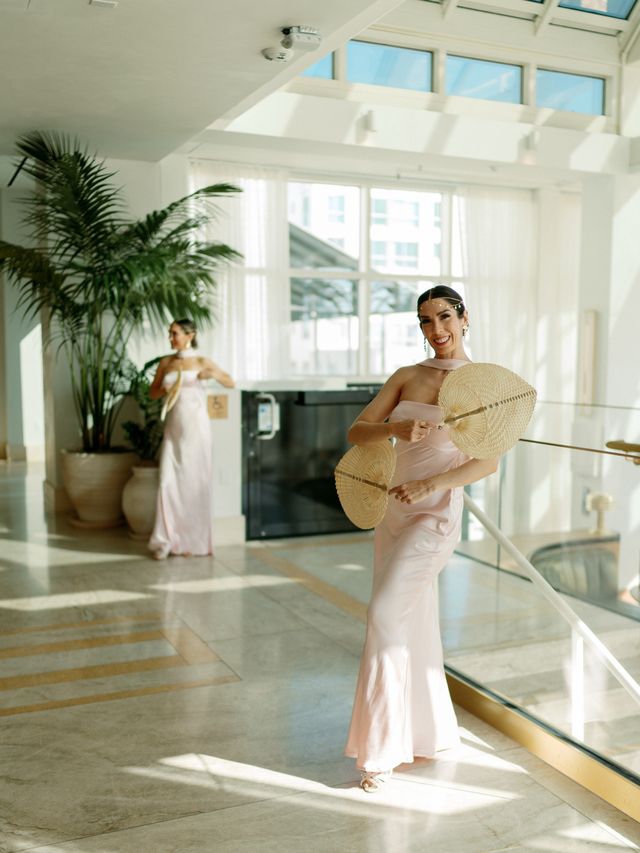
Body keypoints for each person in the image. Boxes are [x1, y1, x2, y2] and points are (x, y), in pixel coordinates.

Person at [344, 286, 499, 792]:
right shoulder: (407, 375)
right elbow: (357, 431)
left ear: (465, 318)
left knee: (384, 613)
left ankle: (380, 753)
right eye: (426, 321)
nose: (437, 330)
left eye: (445, 317)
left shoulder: (483, 384)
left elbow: (488, 462)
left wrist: (433, 485)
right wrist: (395, 427)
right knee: (411, 618)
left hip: (435, 513)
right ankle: (425, 732)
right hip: (392, 511)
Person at [148, 318, 235, 560]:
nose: (171, 337)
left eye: (175, 333)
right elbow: (152, 392)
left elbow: (230, 382)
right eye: (169, 333)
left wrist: (212, 374)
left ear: (190, 335)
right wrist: (163, 390)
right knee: (167, 482)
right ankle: (166, 541)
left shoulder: (201, 361)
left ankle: (194, 542)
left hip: (197, 430)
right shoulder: (166, 363)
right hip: (173, 430)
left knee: (195, 484)